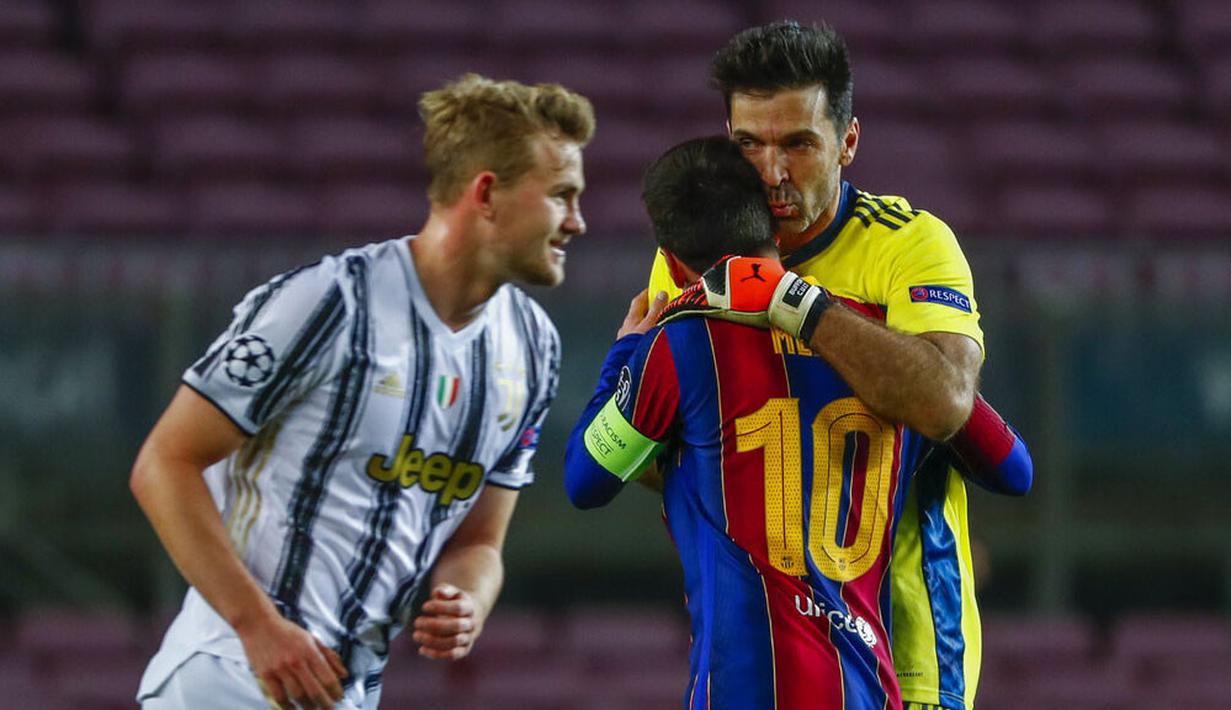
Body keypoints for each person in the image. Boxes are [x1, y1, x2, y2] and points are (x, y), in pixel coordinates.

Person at [130, 73, 593, 710]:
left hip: (343, 692)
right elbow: (164, 463)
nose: (578, 221)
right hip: (229, 674)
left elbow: (480, 542)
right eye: (562, 195)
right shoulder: (329, 303)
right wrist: (256, 626)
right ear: (486, 192)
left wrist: (469, 600)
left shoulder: (532, 347)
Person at [566, 136, 1029, 710]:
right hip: (869, 686)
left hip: (742, 688)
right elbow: (1015, 469)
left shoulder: (681, 344)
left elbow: (584, 479)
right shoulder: (877, 347)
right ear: (774, 229)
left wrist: (624, 353)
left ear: (674, 262)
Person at [644, 22, 1003, 710]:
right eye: (748, 144)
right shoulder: (692, 250)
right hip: (765, 652)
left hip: (907, 646)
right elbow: (647, 446)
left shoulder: (910, 245)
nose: (771, 172)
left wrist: (794, 306)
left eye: (798, 145)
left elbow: (946, 402)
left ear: (848, 141)